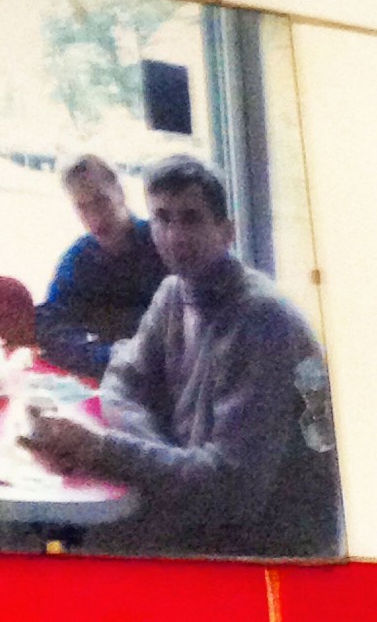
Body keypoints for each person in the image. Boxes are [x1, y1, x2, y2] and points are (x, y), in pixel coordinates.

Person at [29, 155, 342, 557]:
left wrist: (107, 450)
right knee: (53, 541)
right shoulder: (174, 293)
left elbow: (231, 492)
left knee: (64, 551)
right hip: (201, 509)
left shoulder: (262, 321)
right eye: (162, 218)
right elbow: (121, 380)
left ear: (227, 231)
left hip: (268, 547)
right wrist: (163, 456)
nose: (175, 236)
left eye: (191, 219)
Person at [35, 155, 167, 378]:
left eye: (100, 201)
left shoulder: (162, 245)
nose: (94, 216)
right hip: (112, 375)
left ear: (121, 193)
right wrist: (103, 356)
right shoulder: (80, 258)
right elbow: (50, 324)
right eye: (82, 207)